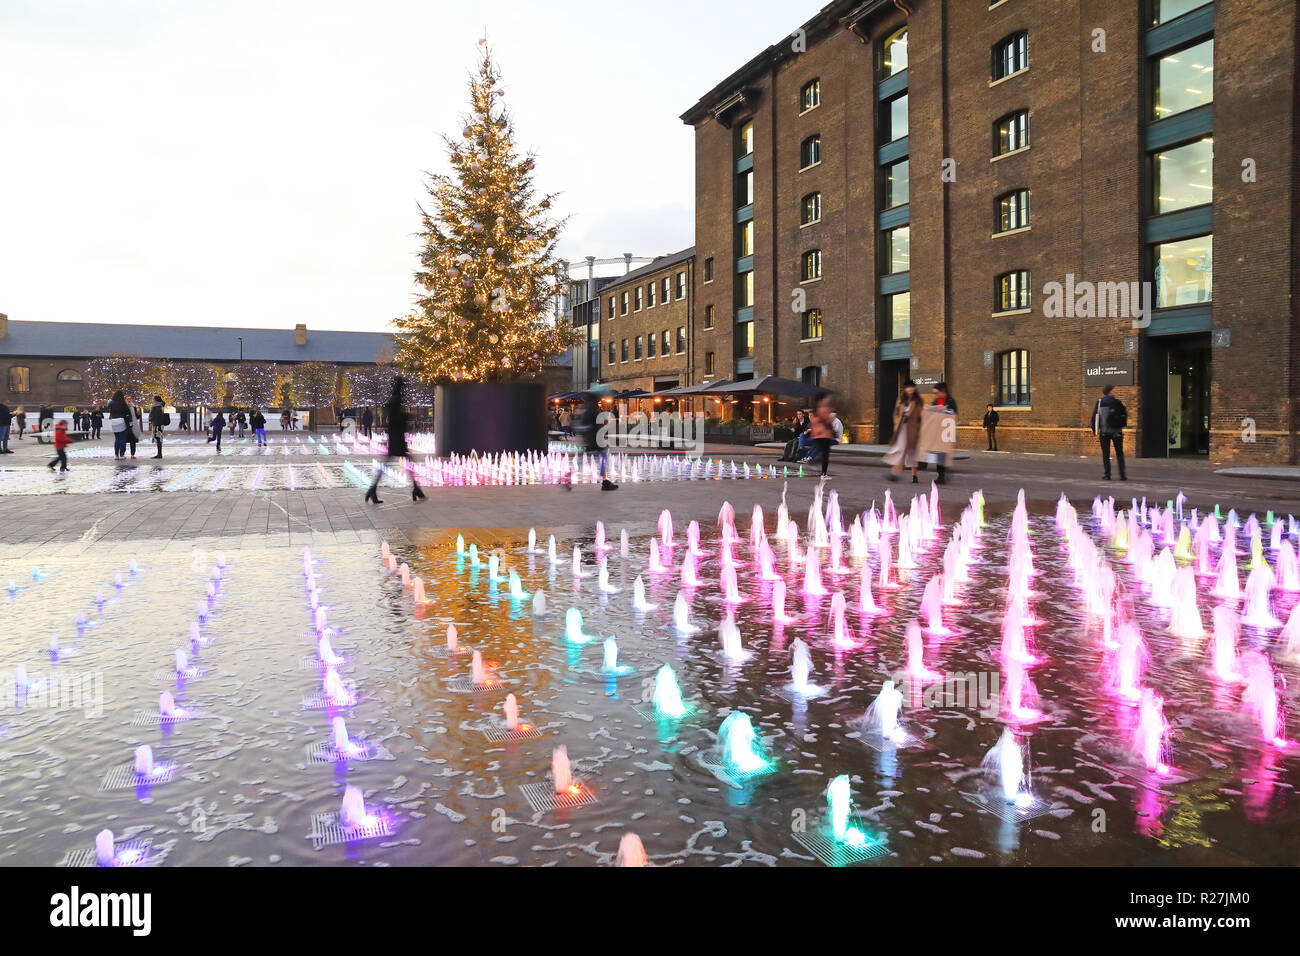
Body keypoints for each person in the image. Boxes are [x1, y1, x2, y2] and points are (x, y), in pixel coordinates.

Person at [365, 375, 425, 504]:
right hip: (396, 436)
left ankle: (415, 488)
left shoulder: (394, 399)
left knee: (400, 462)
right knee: (405, 462)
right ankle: (415, 488)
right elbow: (396, 418)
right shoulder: (396, 399)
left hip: (395, 435)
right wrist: (409, 415)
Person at [883, 381, 924, 482]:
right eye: (908, 387)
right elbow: (896, 413)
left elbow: (921, 415)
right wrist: (896, 425)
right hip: (902, 428)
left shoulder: (918, 400)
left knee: (911, 452)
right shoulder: (901, 399)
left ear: (914, 388)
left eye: (912, 387)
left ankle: (913, 475)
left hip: (913, 429)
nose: (910, 389)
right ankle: (895, 473)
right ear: (905, 389)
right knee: (902, 449)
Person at [1091, 384, 1128, 481]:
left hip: (1104, 432)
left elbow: (1094, 417)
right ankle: (1122, 475)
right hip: (1117, 432)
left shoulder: (1099, 403)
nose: (1114, 392)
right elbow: (1125, 415)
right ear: (1110, 391)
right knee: (1119, 453)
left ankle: (1107, 475)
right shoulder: (1118, 402)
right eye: (1113, 390)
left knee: (1106, 454)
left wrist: (1094, 429)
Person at [924, 382, 959, 484]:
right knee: (939, 454)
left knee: (943, 454)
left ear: (943, 391)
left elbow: (954, 415)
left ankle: (943, 474)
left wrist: (946, 410)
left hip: (946, 431)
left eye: (936, 393)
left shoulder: (951, 401)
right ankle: (941, 475)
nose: (935, 395)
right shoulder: (935, 401)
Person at [808, 392, 836, 477]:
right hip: (824, 434)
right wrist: (832, 417)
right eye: (827, 398)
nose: (828, 400)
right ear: (822, 399)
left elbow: (813, 422)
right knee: (825, 454)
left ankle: (816, 460)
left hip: (816, 435)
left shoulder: (814, 410)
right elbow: (827, 422)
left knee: (822, 452)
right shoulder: (824, 409)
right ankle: (823, 473)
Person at [107, 391, 130, 459]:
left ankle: (116, 455)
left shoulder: (111, 403)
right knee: (122, 438)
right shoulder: (123, 403)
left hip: (113, 421)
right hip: (121, 420)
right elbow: (127, 412)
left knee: (117, 438)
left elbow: (109, 409)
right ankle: (122, 454)